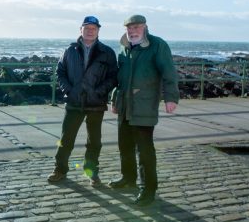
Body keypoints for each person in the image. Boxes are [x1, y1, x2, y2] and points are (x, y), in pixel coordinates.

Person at [109, 14, 179, 206]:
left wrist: (171, 98)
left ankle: (148, 189)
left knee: (145, 151)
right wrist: (114, 100)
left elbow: (168, 72)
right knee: (125, 146)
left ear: (145, 27)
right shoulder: (123, 48)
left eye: (136, 27)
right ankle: (128, 178)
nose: (132, 31)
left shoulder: (158, 45)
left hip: (144, 105)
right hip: (124, 106)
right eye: (129, 28)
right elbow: (119, 78)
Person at [48, 16, 118, 186]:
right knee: (66, 140)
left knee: (94, 141)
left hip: (96, 103)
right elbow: (60, 72)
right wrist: (69, 91)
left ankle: (91, 172)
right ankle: (60, 170)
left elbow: (113, 77)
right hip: (74, 102)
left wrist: (99, 91)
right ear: (81, 30)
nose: (90, 31)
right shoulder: (69, 50)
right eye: (87, 28)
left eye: (94, 28)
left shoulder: (107, 52)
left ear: (98, 31)